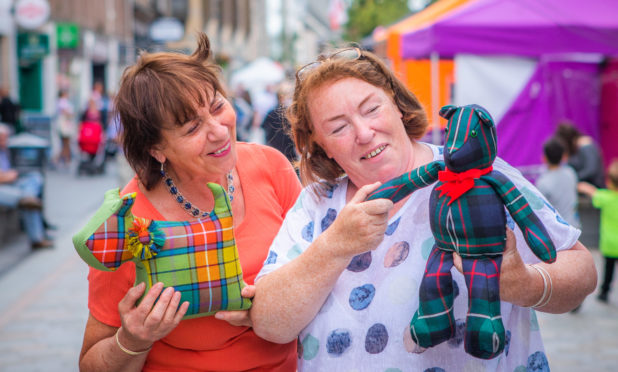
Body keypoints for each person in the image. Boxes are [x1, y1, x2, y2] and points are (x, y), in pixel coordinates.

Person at [249, 47, 598, 371]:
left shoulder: (477, 176)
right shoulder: (315, 203)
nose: (364, 132)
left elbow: (581, 270)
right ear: (320, 146)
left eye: (371, 109)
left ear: (397, 104)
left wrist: (527, 285)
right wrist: (334, 246)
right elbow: (269, 324)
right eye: (338, 127)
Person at [78, 33, 301, 372]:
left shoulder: (270, 166)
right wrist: (133, 339)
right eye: (192, 127)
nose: (219, 131)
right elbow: (92, 364)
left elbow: (318, 267)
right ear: (156, 150)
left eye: (217, 107)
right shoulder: (126, 221)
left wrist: (270, 309)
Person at [0, 123, 52, 249]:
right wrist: (8, 176)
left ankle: (27, 197)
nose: (5, 141)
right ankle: (37, 238)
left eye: (6, 138)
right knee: (28, 201)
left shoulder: (7, 151)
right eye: (2, 138)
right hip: (4, 187)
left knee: (34, 178)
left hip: (12, 184)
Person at [578, 159, 618, 303]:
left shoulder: (606, 198)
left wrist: (581, 185)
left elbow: (593, 193)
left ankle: (604, 292)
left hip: (609, 245)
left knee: (609, 270)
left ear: (610, 182)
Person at [536, 137, 580, 227]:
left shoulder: (543, 182)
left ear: (544, 158)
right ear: (563, 156)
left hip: (557, 229)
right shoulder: (571, 173)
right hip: (574, 227)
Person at [555, 121, 605, 188]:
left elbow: (591, 170)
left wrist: (573, 178)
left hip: (593, 189)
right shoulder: (576, 149)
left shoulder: (586, 146)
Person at [261, 84, 297, 163]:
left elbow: (263, 127)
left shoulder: (272, 112)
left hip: (280, 151)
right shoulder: (288, 113)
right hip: (283, 151)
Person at [55, 90, 76, 166]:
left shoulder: (62, 102)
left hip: (65, 124)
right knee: (66, 143)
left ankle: (66, 159)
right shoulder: (62, 102)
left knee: (66, 143)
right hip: (64, 125)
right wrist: (72, 114)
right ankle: (59, 159)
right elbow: (66, 112)